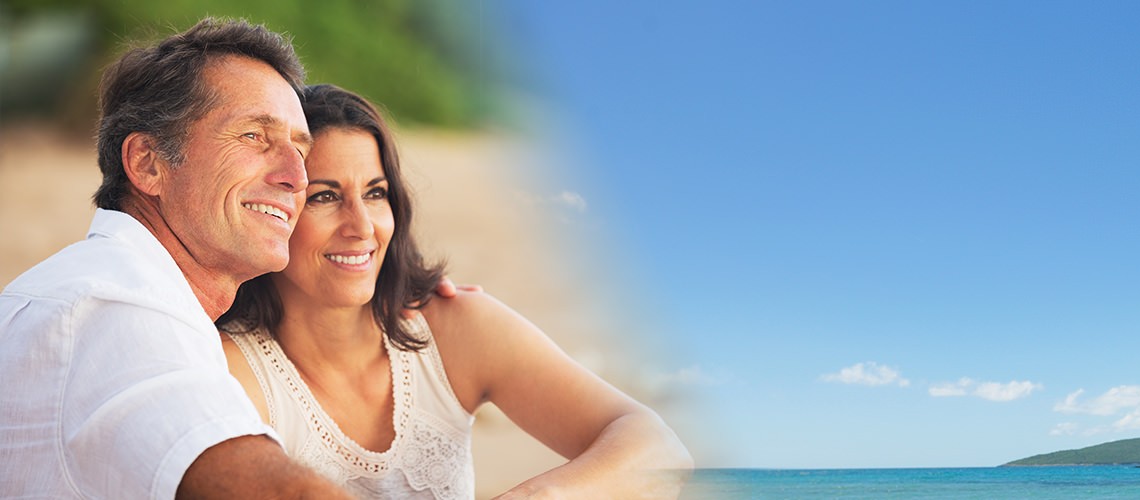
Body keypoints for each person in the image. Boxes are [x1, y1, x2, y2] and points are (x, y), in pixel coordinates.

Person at [214, 83, 693, 498]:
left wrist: (538, 495)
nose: (361, 227)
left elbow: (659, 448)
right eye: (324, 196)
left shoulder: (451, 326)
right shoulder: (230, 370)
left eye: (376, 193)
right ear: (274, 212)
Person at [0, 18, 350, 497]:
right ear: (147, 162)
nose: (298, 177)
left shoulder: (97, 289)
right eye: (253, 136)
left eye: (300, 150)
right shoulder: (119, 309)